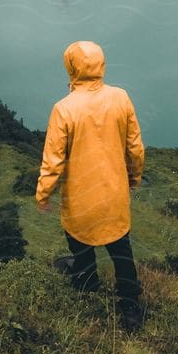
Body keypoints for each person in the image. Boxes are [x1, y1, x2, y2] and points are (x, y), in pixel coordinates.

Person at [35, 39, 146, 331]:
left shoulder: (64, 109)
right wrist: (134, 178)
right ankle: (131, 308)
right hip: (114, 195)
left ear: (71, 66)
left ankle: (86, 281)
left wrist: (43, 193)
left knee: (79, 242)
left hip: (81, 198)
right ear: (100, 64)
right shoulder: (120, 98)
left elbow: (53, 160)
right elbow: (135, 148)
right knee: (122, 250)